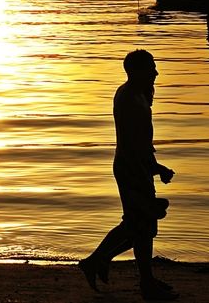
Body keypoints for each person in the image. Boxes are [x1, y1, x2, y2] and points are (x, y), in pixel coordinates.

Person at [79, 49, 178, 301]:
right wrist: (153, 168)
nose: (156, 72)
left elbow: (144, 141)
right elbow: (134, 143)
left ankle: (140, 278)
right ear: (136, 71)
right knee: (137, 225)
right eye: (151, 68)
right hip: (131, 168)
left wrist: (156, 168)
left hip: (138, 167)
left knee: (142, 227)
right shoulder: (129, 98)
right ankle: (100, 263)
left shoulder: (139, 96)